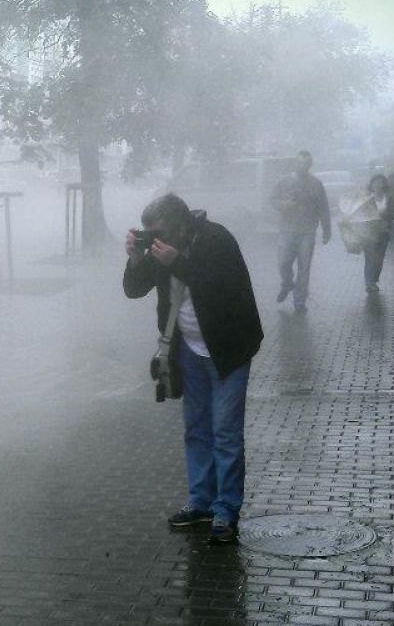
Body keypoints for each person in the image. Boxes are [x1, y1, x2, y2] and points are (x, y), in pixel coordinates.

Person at [123, 193, 264, 543]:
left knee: (226, 433)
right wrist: (135, 258)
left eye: (160, 233)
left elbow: (222, 289)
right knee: (196, 429)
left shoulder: (217, 239)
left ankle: (226, 510)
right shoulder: (161, 247)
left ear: (181, 225)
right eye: (149, 234)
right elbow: (133, 290)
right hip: (188, 350)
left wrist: (177, 263)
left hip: (227, 350)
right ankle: (201, 501)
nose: (156, 239)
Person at [271, 150, 331, 313]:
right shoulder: (284, 182)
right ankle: (287, 282)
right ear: (295, 164)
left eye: (306, 164)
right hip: (287, 230)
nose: (302, 166)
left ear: (309, 165)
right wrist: (285, 204)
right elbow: (273, 200)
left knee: (304, 267)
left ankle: (299, 301)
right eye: (299, 163)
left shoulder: (316, 184)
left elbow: (324, 207)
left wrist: (327, 229)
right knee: (283, 262)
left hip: (307, 231)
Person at [342, 174, 394, 292]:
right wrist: (348, 218)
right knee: (370, 257)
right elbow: (358, 211)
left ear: (384, 184)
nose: (377, 185)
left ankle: (374, 279)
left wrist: (383, 214)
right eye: (375, 182)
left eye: (380, 182)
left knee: (379, 259)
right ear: (371, 185)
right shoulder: (366, 198)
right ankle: (369, 282)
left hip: (383, 232)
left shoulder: (389, 198)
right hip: (369, 233)